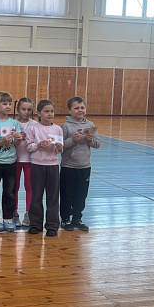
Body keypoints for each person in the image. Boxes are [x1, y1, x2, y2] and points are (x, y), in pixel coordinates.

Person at [60, 96, 101, 232]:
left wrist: (90, 140)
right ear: (70, 110)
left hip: (85, 166)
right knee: (67, 194)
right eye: (76, 108)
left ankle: (77, 218)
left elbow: (97, 144)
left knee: (81, 194)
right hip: (68, 167)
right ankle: (65, 218)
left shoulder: (90, 125)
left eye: (82, 107)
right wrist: (72, 140)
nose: (80, 110)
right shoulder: (65, 126)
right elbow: (60, 146)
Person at [25, 100, 63, 236]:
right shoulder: (33, 128)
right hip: (37, 165)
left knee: (53, 197)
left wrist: (59, 148)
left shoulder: (58, 129)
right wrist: (38, 146)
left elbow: (59, 150)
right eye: (46, 111)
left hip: (53, 166)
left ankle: (52, 226)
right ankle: (35, 224)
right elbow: (29, 146)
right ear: (39, 113)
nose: (50, 114)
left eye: (52, 111)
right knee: (36, 196)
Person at [0, 91, 22, 232]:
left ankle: (8, 217)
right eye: (4, 103)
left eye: (10, 104)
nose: (8, 106)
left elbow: (17, 145)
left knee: (10, 192)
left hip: (10, 162)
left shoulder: (14, 123)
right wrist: (2, 141)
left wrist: (18, 139)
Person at [14, 97, 37, 227]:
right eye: (23, 109)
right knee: (14, 187)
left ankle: (29, 213)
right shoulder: (13, 123)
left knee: (29, 187)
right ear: (18, 109)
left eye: (29, 109)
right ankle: (14, 213)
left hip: (30, 160)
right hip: (15, 159)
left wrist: (28, 137)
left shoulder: (34, 124)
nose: (26, 112)